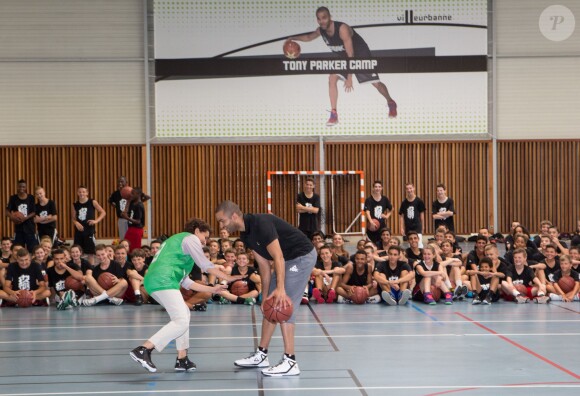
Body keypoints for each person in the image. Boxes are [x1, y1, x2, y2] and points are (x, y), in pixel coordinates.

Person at [215, 200, 317, 377]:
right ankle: (262, 355)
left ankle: (290, 361)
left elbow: (277, 257)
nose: (221, 226)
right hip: (287, 260)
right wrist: (266, 294)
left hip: (301, 257)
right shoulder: (246, 234)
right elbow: (263, 265)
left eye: (222, 221)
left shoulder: (261, 223)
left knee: (283, 305)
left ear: (233, 216)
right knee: (271, 305)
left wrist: (280, 290)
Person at [129, 218, 238, 373]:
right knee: (181, 320)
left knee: (184, 315)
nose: (205, 242)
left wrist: (213, 290)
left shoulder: (180, 247)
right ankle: (144, 349)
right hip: (163, 280)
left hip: (155, 281)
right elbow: (205, 264)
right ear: (196, 230)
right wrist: (226, 276)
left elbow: (186, 282)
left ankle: (182, 359)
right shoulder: (190, 238)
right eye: (204, 237)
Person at [286, 6, 397, 126]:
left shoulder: (342, 28)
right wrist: (293, 38)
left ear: (330, 17)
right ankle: (334, 114)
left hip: (359, 54)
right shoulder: (321, 30)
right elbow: (309, 37)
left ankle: (390, 102)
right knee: (332, 78)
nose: (322, 21)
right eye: (319, 19)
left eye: (324, 18)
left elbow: (351, 54)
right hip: (344, 58)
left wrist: (350, 78)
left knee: (376, 84)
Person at [72, 185, 106, 265]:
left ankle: (91, 269)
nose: (81, 193)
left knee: (90, 253)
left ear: (87, 193)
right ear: (77, 193)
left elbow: (103, 212)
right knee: (77, 252)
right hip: (79, 231)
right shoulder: (75, 204)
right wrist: (76, 222)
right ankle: (78, 269)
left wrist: (96, 221)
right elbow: (73, 218)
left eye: (83, 192)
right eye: (80, 192)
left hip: (89, 231)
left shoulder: (92, 202)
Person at [6, 179, 37, 252]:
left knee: (33, 250)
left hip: (30, 228)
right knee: (18, 250)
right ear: (17, 187)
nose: (21, 188)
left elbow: (34, 212)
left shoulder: (31, 198)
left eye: (23, 187)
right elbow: (7, 211)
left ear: (26, 187)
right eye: (20, 186)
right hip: (19, 229)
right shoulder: (13, 198)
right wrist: (12, 217)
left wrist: (25, 218)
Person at [364, 181, 393, 245]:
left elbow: (391, 209)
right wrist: (371, 222)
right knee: (371, 244)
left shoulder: (385, 199)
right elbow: (367, 212)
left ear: (381, 188)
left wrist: (387, 216)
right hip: (372, 227)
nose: (377, 188)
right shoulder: (369, 200)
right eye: (376, 187)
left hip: (382, 226)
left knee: (383, 244)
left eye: (379, 187)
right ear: (373, 188)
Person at [399, 183, 426, 248]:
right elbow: (401, 216)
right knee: (408, 246)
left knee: (419, 244)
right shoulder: (404, 203)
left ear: (414, 188)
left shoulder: (419, 201)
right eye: (407, 189)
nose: (409, 190)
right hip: (408, 227)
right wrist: (401, 227)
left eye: (410, 188)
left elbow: (422, 215)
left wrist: (423, 226)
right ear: (406, 190)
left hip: (417, 227)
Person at [122, 187, 145, 252]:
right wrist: (128, 201)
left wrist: (127, 218)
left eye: (133, 193)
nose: (131, 195)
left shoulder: (139, 205)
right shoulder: (132, 202)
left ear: (138, 195)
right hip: (131, 228)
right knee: (126, 247)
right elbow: (126, 211)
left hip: (137, 229)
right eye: (131, 193)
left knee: (135, 249)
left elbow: (138, 221)